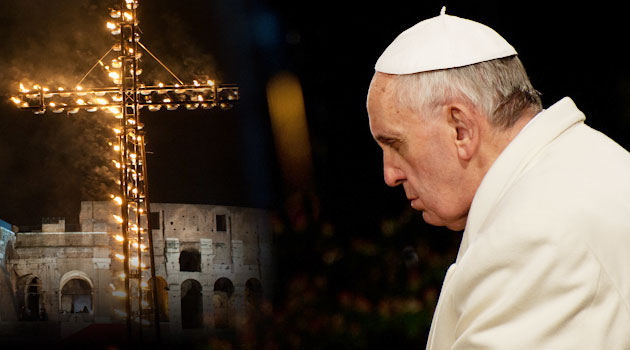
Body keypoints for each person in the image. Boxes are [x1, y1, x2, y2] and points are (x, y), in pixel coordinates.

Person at [366, 7, 630, 349]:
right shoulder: (587, 160)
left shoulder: (533, 236)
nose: (390, 174)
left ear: (460, 128)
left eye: (395, 144)